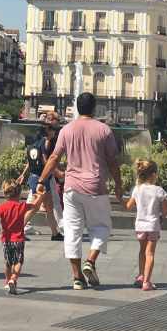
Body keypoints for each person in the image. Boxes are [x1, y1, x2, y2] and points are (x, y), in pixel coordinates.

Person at [36, 93, 124, 290]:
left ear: (76, 107)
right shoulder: (104, 130)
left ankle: (77, 278)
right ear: (94, 108)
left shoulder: (67, 130)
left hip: (71, 188)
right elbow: (112, 161)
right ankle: (90, 261)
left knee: (72, 232)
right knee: (101, 227)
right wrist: (118, 184)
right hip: (95, 187)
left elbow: (54, 158)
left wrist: (41, 180)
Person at [127, 157, 167, 291]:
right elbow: (166, 210)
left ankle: (140, 275)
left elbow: (129, 206)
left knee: (142, 251)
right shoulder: (158, 190)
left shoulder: (137, 189)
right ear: (153, 175)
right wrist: (161, 217)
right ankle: (146, 282)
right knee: (150, 253)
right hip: (153, 226)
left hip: (140, 226)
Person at [0, 178, 46, 295]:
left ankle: (7, 281)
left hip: (6, 240)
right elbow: (35, 206)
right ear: (19, 193)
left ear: (4, 193)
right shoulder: (22, 206)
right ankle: (13, 279)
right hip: (18, 239)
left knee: (8, 263)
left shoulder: (1, 207)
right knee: (18, 262)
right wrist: (40, 196)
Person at [21, 115, 62, 240]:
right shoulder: (46, 143)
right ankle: (17, 230)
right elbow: (45, 161)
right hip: (41, 179)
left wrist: (23, 175)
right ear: (48, 131)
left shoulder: (35, 144)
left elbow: (30, 161)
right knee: (35, 206)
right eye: (53, 130)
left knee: (49, 206)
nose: (55, 132)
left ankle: (55, 233)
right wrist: (58, 173)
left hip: (37, 177)